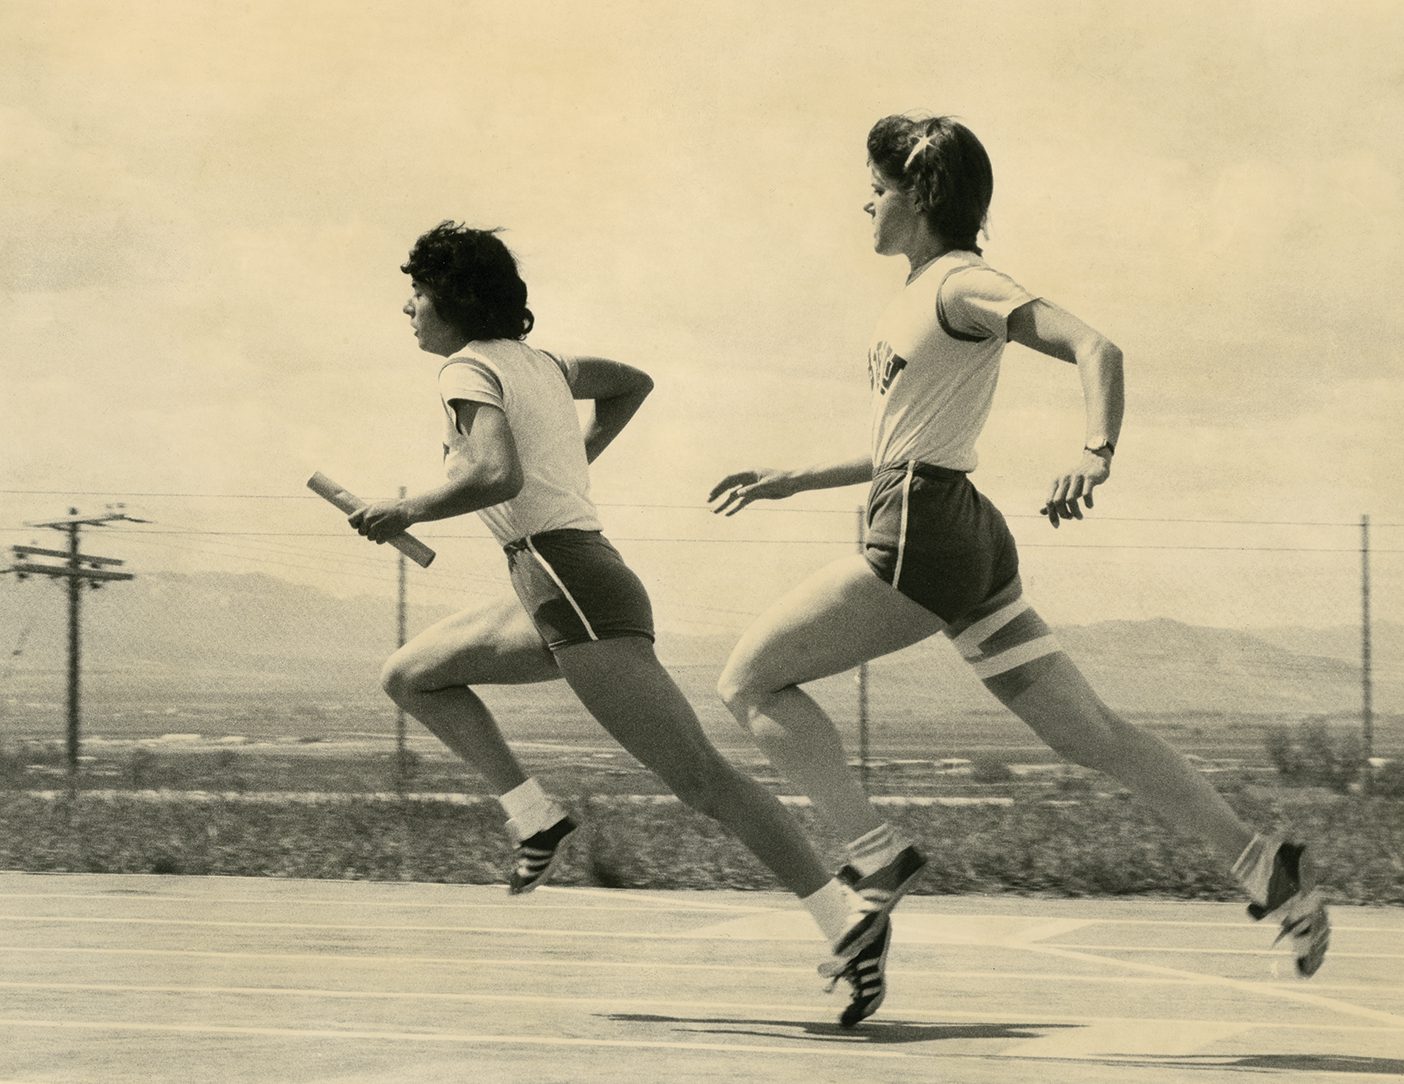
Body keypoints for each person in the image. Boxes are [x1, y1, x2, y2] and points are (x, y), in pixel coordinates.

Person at [709, 114, 1331, 1012]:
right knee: (1091, 737)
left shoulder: (964, 282)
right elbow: (904, 439)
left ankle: (875, 859)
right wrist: (789, 478)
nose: (865, 202)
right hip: (956, 523)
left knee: (749, 681)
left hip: (924, 528)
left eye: (878, 188)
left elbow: (1096, 346)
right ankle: (1265, 865)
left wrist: (1095, 449)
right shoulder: (920, 294)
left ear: (919, 196)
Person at [346, 221, 888, 1026]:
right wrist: (571, 459)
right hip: (562, 581)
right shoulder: (541, 364)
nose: (407, 307)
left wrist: (404, 505)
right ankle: (535, 816)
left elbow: (495, 474)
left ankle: (847, 922)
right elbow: (633, 381)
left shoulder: (465, 369)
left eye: (416, 293)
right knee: (410, 675)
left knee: (703, 781)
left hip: (570, 584)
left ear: (451, 300)